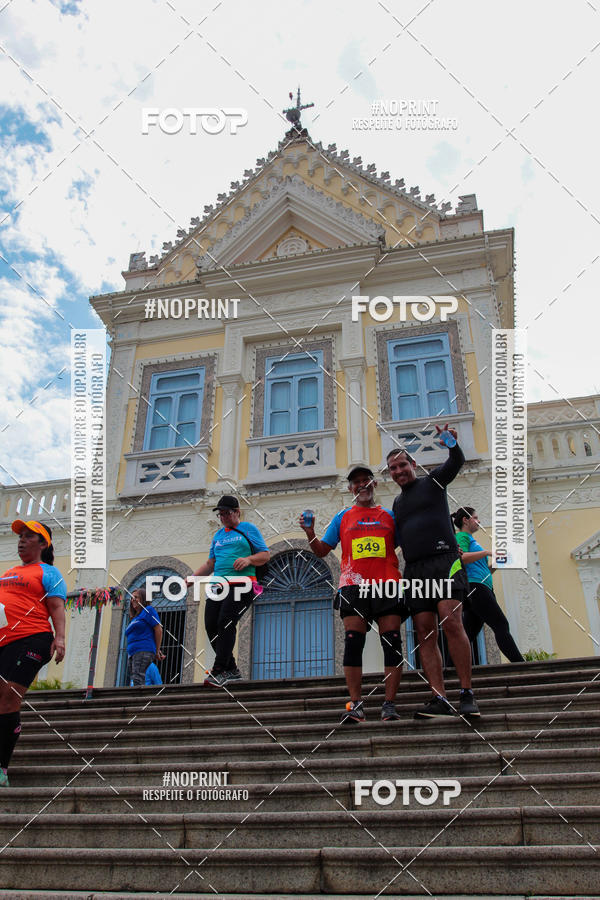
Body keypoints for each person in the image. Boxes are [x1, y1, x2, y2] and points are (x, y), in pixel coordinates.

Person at [299, 465, 406, 723]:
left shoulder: (390, 516)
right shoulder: (343, 517)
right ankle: (356, 704)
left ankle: (389, 704)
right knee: (353, 643)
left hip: (386, 584)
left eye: (366, 480)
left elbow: (408, 542)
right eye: (356, 482)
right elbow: (322, 551)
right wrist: (310, 533)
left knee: (392, 642)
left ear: (374, 484)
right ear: (350, 489)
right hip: (352, 585)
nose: (362, 485)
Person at [388, 424, 480, 718]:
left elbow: (456, 461)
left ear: (413, 464)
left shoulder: (433, 482)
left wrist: (450, 442)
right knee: (424, 633)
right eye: (393, 468)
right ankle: (439, 697)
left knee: (451, 622)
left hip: (445, 562)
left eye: (402, 465)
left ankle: (466, 693)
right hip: (416, 570)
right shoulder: (397, 503)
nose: (399, 471)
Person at [0, 520, 67, 787]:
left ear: (43, 544)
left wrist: (60, 638)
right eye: (21, 536)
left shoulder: (49, 572)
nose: (22, 540)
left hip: (33, 639)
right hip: (4, 641)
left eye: (29, 536)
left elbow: (57, 607)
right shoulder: (9, 572)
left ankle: (2, 768)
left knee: (8, 696)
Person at [193, 495, 270, 687]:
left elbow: (265, 555)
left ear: (237, 512)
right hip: (218, 585)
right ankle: (232, 669)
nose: (223, 517)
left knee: (225, 622)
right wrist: (191, 579)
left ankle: (219, 670)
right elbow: (210, 563)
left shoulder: (248, 529)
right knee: (211, 625)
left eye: (227, 513)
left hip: (243, 584)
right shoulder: (218, 536)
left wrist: (249, 560)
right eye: (220, 514)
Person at [452, 506, 524, 663]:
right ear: (465, 520)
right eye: (475, 518)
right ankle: (521, 665)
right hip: (476, 588)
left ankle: (449, 667)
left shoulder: (471, 540)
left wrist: (498, 563)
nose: (479, 521)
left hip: (482, 587)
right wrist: (487, 552)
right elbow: (461, 558)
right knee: (501, 624)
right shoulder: (462, 536)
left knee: (468, 634)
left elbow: (484, 570)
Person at [125, 588, 165, 686]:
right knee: (135, 678)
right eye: (131, 598)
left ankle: (139, 696)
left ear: (143, 599)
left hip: (142, 650)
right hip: (133, 653)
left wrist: (157, 650)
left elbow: (158, 629)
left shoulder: (148, 610)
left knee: (137, 678)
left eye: (136, 597)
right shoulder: (135, 618)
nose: (133, 600)